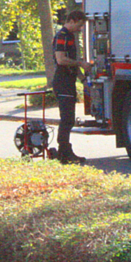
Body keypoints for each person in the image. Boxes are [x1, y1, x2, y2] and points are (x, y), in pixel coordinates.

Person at [52, 10, 92, 165]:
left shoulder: (69, 36)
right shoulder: (62, 35)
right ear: (73, 20)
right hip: (62, 81)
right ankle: (64, 152)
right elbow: (61, 60)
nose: (80, 29)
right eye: (80, 25)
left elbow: (71, 62)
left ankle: (65, 151)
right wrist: (80, 63)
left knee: (69, 118)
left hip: (68, 81)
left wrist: (82, 79)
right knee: (67, 119)